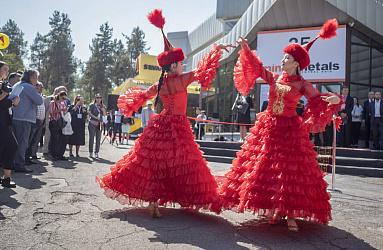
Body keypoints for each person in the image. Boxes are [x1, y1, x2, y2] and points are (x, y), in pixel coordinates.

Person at [97, 9, 233, 218]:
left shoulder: (160, 84)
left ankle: (153, 201)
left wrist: (129, 106)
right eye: (181, 63)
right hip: (177, 127)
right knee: (186, 165)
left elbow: (141, 96)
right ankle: (178, 199)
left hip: (159, 126)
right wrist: (217, 49)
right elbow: (203, 69)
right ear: (174, 65)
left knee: (153, 165)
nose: (183, 65)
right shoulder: (182, 80)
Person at [219, 19, 341, 232]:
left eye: (287, 57)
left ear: (296, 63)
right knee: (266, 169)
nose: (283, 59)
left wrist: (334, 99)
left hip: (290, 129)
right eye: (284, 56)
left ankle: (291, 213)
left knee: (288, 171)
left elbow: (316, 99)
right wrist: (245, 48)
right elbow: (257, 68)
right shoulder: (275, 78)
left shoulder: (302, 84)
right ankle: (274, 208)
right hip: (269, 127)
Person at [12, 69, 44, 173]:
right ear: (31, 77)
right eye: (36, 77)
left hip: (15, 117)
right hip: (25, 119)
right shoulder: (29, 87)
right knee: (23, 143)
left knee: (15, 142)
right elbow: (39, 101)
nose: (37, 80)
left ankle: (13, 163)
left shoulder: (17, 84)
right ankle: (19, 164)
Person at [0, 62, 20, 188]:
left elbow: (5, 103)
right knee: (12, 145)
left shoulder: (5, 84)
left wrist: (14, 103)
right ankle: (6, 177)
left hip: (5, 121)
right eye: (5, 69)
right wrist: (6, 95)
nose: (7, 72)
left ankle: (6, 178)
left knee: (10, 146)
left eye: (8, 69)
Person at [42, 86, 67, 158]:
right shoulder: (49, 99)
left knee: (56, 137)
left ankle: (55, 152)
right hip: (50, 120)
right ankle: (46, 150)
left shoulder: (63, 101)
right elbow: (46, 110)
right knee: (48, 135)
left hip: (59, 121)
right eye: (62, 92)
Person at [26, 82, 45, 163]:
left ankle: (33, 155)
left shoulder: (41, 96)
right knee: (30, 139)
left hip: (41, 120)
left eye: (41, 87)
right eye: (39, 87)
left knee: (36, 139)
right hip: (34, 120)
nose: (40, 89)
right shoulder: (33, 96)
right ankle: (28, 156)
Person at [48, 91, 69, 161]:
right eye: (63, 98)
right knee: (54, 139)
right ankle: (52, 155)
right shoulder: (52, 102)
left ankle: (59, 154)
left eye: (65, 99)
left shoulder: (62, 103)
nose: (63, 100)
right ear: (59, 96)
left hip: (60, 123)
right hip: (53, 122)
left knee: (60, 139)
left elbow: (64, 112)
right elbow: (51, 112)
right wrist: (60, 110)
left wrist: (65, 110)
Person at [88, 93, 105, 158]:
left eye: (100, 97)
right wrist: (95, 117)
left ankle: (96, 152)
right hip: (92, 123)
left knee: (98, 139)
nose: (98, 99)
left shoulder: (102, 106)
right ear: (95, 98)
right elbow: (89, 113)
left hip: (99, 124)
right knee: (91, 138)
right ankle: (90, 152)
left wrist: (103, 110)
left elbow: (104, 115)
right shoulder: (91, 105)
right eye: (97, 97)